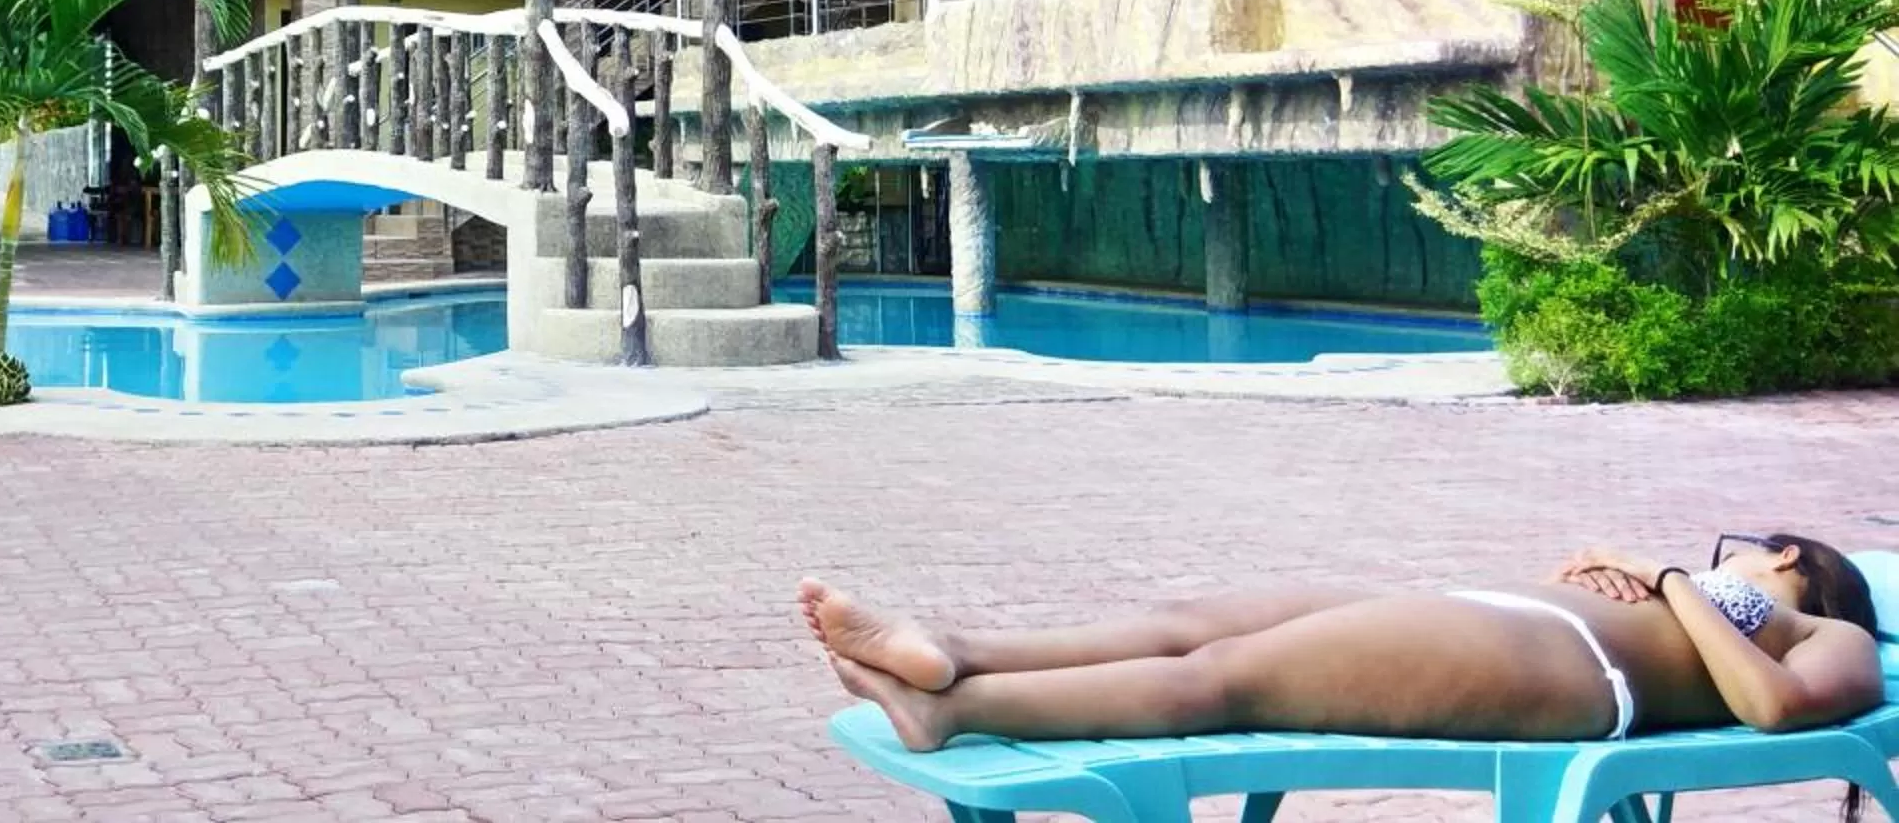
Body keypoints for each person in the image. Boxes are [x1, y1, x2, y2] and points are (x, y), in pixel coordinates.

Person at [807, 532, 1883, 754]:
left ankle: (954, 708)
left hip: (1559, 670)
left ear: (1788, 555)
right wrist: (1615, 573)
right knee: (1197, 620)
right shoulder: (1693, 585)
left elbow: (1772, 706)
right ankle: (957, 647)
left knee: (1224, 680)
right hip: (1499, 614)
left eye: (1741, 546)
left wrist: (1676, 581)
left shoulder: (1834, 633)